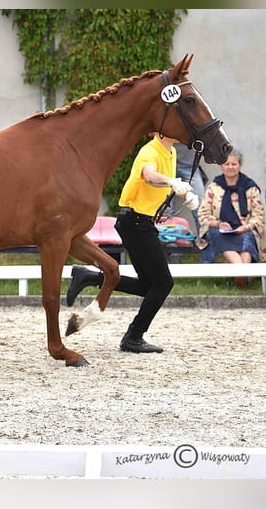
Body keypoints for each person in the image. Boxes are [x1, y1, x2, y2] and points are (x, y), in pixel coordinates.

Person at [66, 133, 200, 354]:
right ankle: (134, 336)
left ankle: (89, 277)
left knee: (149, 286)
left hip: (140, 222)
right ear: (162, 132)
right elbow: (149, 175)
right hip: (136, 222)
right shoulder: (150, 150)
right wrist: (171, 181)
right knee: (163, 283)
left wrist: (183, 194)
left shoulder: (171, 151)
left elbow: (156, 187)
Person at [197, 149, 265, 287]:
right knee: (219, 237)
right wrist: (218, 223)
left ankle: (241, 277)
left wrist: (246, 227)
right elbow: (203, 213)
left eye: (234, 164)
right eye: (227, 164)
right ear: (221, 166)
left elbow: (259, 215)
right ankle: (242, 274)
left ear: (240, 166)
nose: (230, 167)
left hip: (244, 228)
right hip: (220, 230)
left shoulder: (250, 187)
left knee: (248, 237)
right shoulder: (214, 187)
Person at [170, 142, 206, 233]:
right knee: (166, 211)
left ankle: (204, 244)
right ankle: (169, 244)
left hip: (190, 166)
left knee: (200, 209)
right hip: (166, 166)